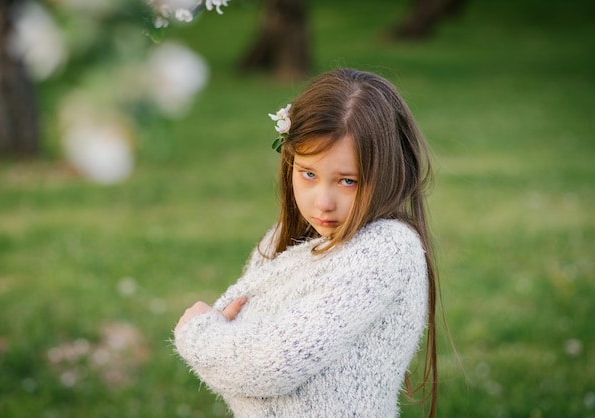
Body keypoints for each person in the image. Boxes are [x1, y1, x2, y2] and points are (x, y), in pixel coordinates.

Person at [173, 68, 439, 418]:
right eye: (309, 174)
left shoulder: (386, 250)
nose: (322, 201)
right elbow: (243, 346)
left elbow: (269, 364)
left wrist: (197, 334)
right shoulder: (284, 238)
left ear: (388, 173)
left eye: (347, 181)